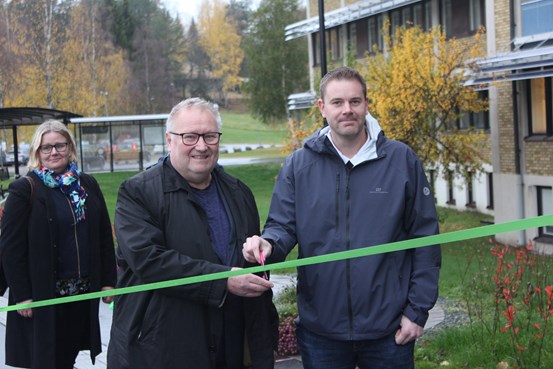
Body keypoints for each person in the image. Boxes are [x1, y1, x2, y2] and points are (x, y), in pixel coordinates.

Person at [243, 66, 441, 369]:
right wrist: (268, 244)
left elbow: (426, 239)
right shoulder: (299, 165)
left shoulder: (401, 160)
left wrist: (417, 311)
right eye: (337, 102)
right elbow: (281, 226)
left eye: (355, 101)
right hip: (321, 332)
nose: (347, 110)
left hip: (389, 331)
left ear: (366, 104)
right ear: (322, 107)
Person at [107, 97, 278, 369]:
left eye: (210, 136)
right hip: (164, 348)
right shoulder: (138, 193)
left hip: (231, 343)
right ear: (169, 140)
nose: (201, 146)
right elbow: (149, 261)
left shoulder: (238, 192)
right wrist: (223, 281)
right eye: (190, 137)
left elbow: (253, 266)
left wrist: (260, 248)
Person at [0, 120, 117, 369]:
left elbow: (104, 236)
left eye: (60, 145)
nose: (54, 152)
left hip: (82, 294)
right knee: (46, 358)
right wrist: (22, 296)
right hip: (43, 297)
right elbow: (10, 248)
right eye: (46, 147)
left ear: (70, 148)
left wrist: (108, 280)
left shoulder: (87, 185)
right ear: (37, 152)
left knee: (69, 355)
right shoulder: (24, 190)